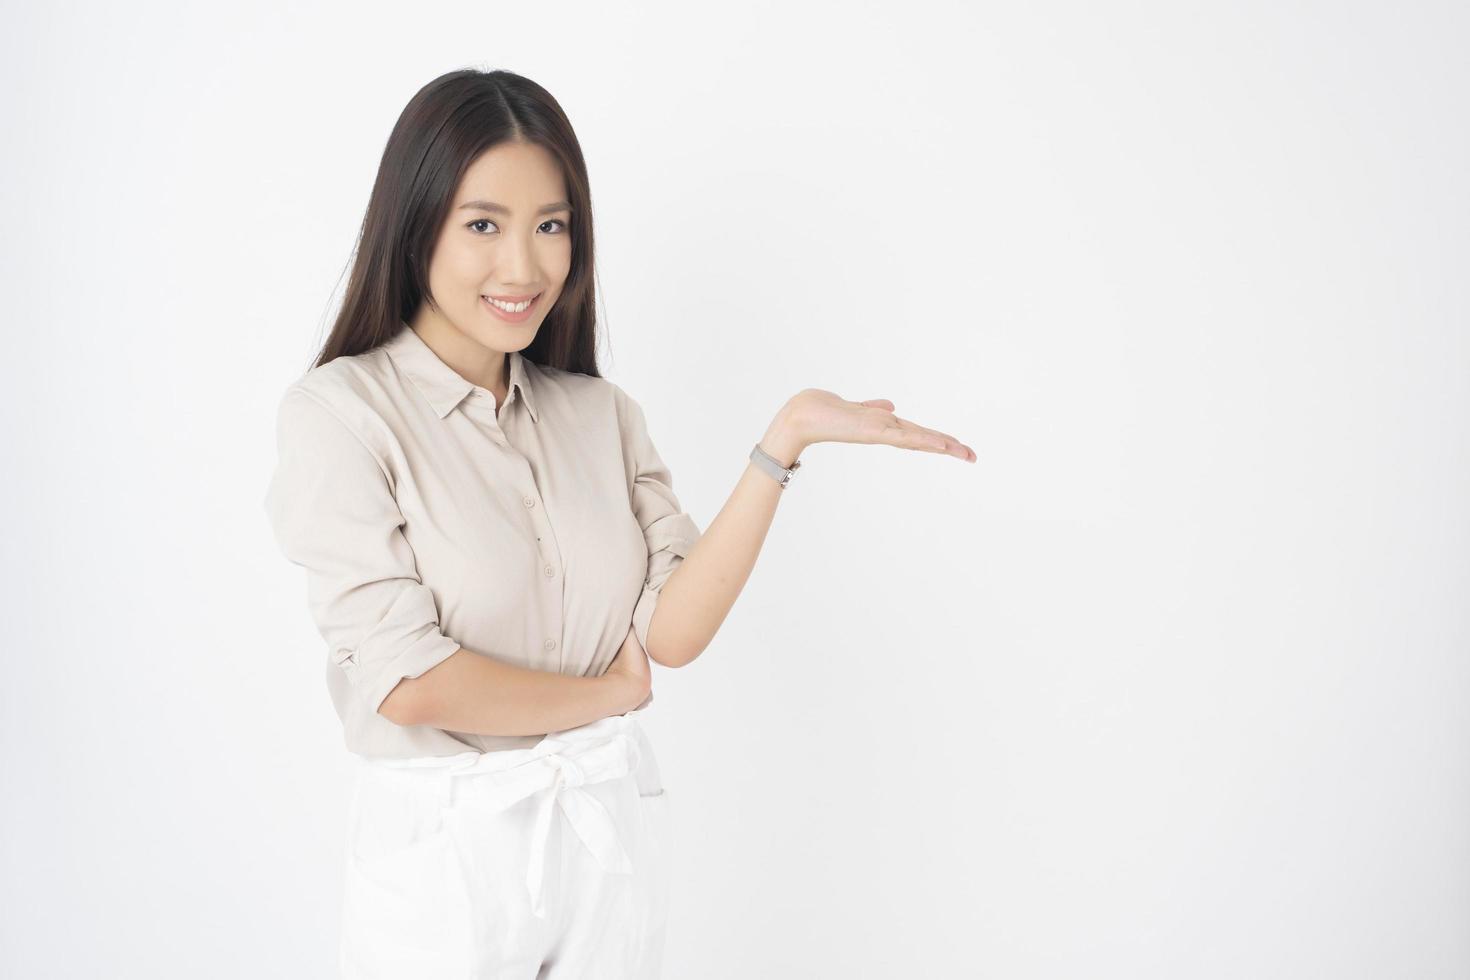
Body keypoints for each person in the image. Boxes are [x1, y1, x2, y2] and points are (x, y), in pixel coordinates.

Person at [263, 68, 975, 980]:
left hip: (604, 830)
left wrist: (782, 441)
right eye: (483, 224)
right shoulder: (341, 414)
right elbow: (410, 683)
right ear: (416, 226)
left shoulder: (601, 414)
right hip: (447, 857)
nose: (524, 267)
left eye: (550, 225)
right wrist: (605, 698)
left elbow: (669, 633)